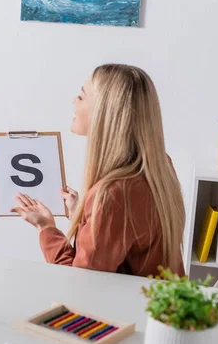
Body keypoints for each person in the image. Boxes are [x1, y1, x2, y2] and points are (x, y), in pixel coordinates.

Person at [11, 64, 185, 277]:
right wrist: (83, 215)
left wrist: (45, 227)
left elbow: (82, 284)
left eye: (81, 97)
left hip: (127, 308)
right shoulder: (160, 165)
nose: (73, 101)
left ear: (104, 113)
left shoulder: (113, 193)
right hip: (168, 305)